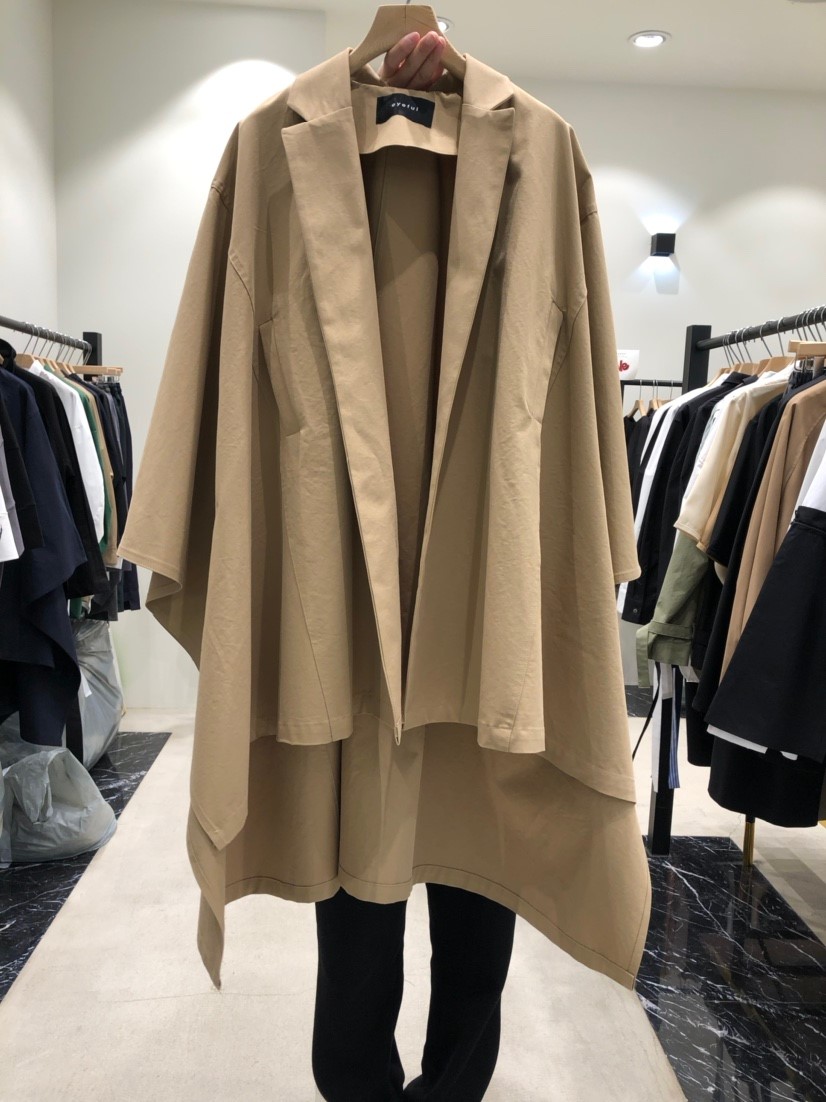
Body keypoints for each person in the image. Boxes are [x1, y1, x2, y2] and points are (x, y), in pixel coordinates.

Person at [311, 30, 518, 1102]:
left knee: (479, 852)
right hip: (344, 582)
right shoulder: (279, 152)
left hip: (486, 581)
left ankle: (452, 1086)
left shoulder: (538, 158)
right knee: (364, 853)